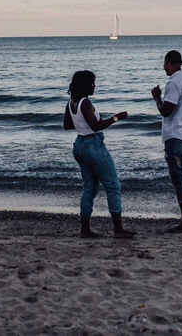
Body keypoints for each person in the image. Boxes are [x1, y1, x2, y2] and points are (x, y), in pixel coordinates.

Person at [63, 70, 135, 239]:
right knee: (112, 185)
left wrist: (82, 125)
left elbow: (67, 124)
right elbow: (96, 126)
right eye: (92, 83)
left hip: (79, 145)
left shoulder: (71, 102)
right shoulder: (86, 103)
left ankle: (85, 230)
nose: (95, 86)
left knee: (89, 188)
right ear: (85, 85)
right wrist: (116, 118)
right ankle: (118, 230)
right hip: (93, 145)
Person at [150, 50, 182, 233]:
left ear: (169, 62)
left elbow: (166, 110)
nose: (164, 67)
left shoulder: (174, 82)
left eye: (164, 63)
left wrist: (156, 97)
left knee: (179, 179)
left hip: (176, 135)